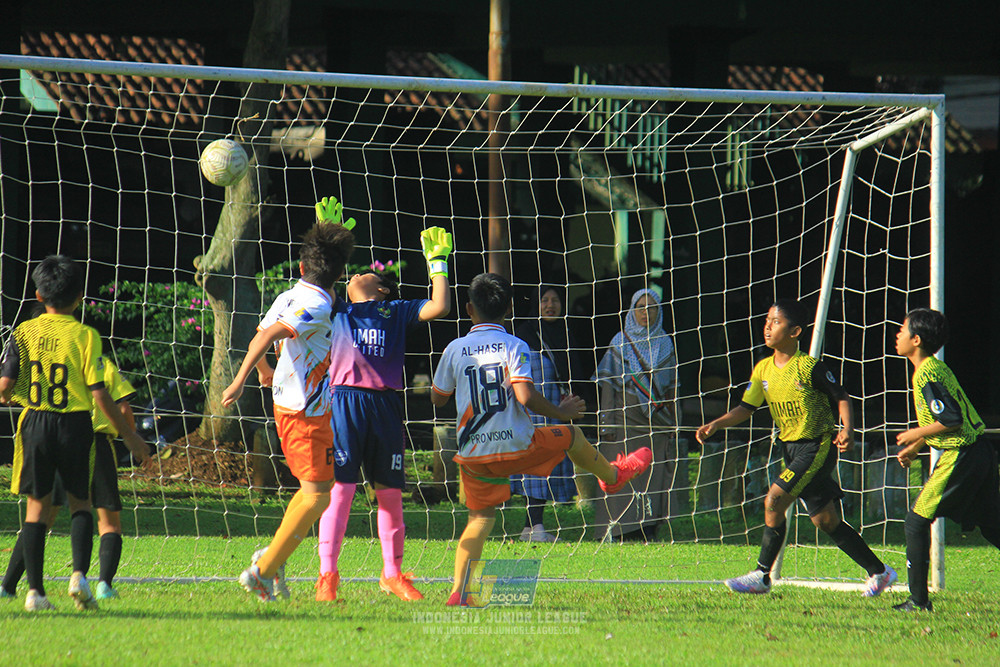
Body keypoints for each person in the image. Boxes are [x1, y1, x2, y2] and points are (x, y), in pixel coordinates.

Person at [430, 273, 653, 605]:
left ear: (468, 310)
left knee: (480, 520)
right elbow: (524, 395)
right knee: (572, 434)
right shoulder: (516, 345)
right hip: (519, 447)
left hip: (475, 453)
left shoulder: (454, 349)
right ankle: (612, 475)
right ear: (508, 309)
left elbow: (438, 398)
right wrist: (561, 413)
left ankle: (459, 593)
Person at [695, 299, 896, 596]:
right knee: (825, 520)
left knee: (774, 499)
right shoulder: (763, 369)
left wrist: (847, 429)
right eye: (767, 320)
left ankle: (762, 575)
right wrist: (717, 424)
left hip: (816, 446)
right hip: (790, 449)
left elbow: (841, 397)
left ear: (795, 331)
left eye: (775, 322)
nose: (767, 326)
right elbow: (746, 408)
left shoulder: (808, 367)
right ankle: (880, 572)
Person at [0, 255, 149, 612]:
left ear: (38, 295)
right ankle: (79, 576)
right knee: (80, 502)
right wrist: (128, 435)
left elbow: (4, 389)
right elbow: (100, 392)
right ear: (80, 297)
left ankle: (34, 593)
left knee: (36, 509)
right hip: (75, 425)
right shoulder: (85, 335)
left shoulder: (22, 332)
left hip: (35, 423)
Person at [222, 211, 356, 603]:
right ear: (339, 274)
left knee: (315, 490)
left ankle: (274, 557)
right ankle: (261, 571)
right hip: (305, 412)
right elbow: (272, 334)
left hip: (293, 405)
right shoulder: (315, 305)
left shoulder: (290, 294)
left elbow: (260, 333)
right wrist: (241, 378)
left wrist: (266, 369)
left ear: (300, 266)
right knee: (318, 496)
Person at [314, 226, 452, 603]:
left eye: (365, 273)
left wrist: (437, 263)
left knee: (390, 494)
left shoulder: (396, 310)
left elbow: (440, 306)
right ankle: (328, 575)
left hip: (386, 407)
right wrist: (327, 240)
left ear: (383, 289)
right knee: (341, 490)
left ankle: (392, 573)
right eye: (351, 272)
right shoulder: (335, 308)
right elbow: (316, 276)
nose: (356, 274)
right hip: (344, 403)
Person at [1, 352, 138, 601]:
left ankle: (8, 586)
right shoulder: (100, 362)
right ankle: (103, 586)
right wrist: (131, 435)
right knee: (108, 521)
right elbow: (123, 406)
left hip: (55, 439)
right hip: (97, 443)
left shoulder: (44, 361)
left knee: (40, 519)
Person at [890, 308, 1000, 612]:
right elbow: (952, 415)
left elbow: (950, 419)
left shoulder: (926, 372)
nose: (897, 335)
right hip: (980, 452)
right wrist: (919, 445)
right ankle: (918, 599)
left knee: (915, 521)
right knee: (992, 525)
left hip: (962, 454)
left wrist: (915, 433)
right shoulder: (936, 368)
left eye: (902, 330)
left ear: (916, 339)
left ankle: (918, 601)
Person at [593, 288, 682, 541]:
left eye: (651, 307)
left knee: (652, 478)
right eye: (640, 307)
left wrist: (675, 421)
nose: (646, 312)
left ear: (659, 311)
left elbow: (674, 384)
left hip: (657, 424)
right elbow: (608, 386)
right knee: (621, 475)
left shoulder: (666, 342)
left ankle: (648, 528)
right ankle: (620, 531)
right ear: (632, 311)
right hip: (624, 423)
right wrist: (606, 424)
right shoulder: (619, 341)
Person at [510, 285, 586, 542]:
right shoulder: (524, 335)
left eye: (555, 300)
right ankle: (534, 527)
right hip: (534, 414)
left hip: (557, 412)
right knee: (535, 464)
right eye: (544, 300)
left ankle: (532, 527)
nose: (550, 305)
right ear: (536, 304)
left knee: (549, 465)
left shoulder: (565, 333)